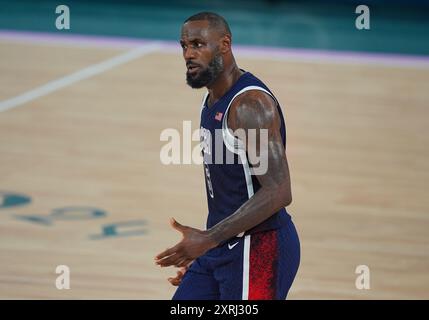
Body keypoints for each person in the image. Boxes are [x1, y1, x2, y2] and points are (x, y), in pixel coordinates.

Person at [155, 12, 300, 300]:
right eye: (184, 46)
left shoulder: (249, 106)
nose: (189, 54)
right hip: (221, 246)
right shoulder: (211, 100)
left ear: (224, 44)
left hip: (259, 248)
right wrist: (208, 245)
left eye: (198, 44)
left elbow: (279, 191)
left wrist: (208, 239)